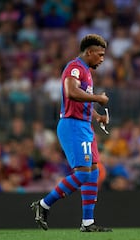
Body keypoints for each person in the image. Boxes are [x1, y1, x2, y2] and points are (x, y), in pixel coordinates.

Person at [30, 34, 111, 232]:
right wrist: (98, 98)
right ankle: (43, 204)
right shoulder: (75, 67)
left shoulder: (86, 71)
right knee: (83, 174)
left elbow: (81, 100)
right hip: (73, 126)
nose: (102, 59)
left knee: (93, 171)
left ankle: (87, 223)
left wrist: (97, 116)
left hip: (84, 125)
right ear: (89, 52)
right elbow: (71, 93)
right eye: (99, 55)